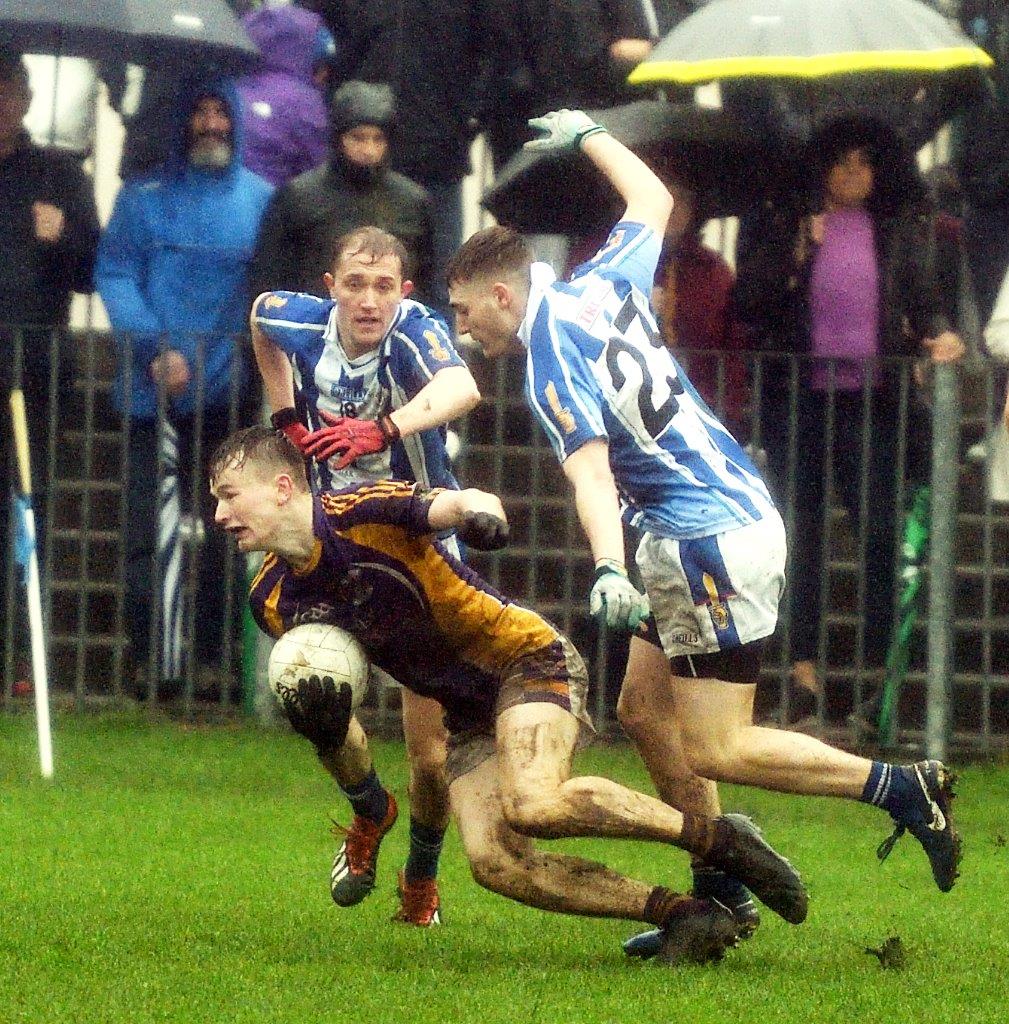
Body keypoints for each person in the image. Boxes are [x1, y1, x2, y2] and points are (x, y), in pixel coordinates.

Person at [445, 108, 962, 956]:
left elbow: (590, 471)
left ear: (504, 293)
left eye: (467, 313)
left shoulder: (546, 356)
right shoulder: (600, 282)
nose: (467, 332)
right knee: (641, 709)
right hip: (714, 516)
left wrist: (606, 567)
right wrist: (589, 137)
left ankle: (901, 786)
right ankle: (719, 897)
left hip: (703, 538)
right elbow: (648, 196)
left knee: (717, 745)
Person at [210, 424, 809, 964]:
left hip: (525, 660)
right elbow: (340, 719)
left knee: (534, 804)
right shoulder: (271, 600)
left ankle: (720, 839)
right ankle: (684, 915)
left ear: (284, 487)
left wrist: (479, 514)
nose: (218, 514)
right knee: (495, 862)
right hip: (468, 713)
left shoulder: (357, 513)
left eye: (229, 495)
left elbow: (457, 501)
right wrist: (325, 729)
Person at [249, 225, 480, 926]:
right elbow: (259, 313)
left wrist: (383, 430)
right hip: (333, 549)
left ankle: (420, 878)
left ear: (403, 293)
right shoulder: (303, 320)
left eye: (384, 286)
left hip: (418, 551)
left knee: (432, 755)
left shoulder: (412, 331)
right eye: (355, 284)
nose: (369, 300)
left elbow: (463, 386)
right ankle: (369, 811)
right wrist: (286, 414)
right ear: (331, 287)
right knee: (309, 695)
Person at [733, 116, 966, 724]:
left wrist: (942, 336)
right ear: (821, 167)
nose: (853, 171)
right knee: (798, 537)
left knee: (880, 535)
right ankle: (801, 671)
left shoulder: (895, 228)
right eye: (841, 160)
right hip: (798, 401)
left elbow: (923, 304)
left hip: (875, 402)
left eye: (865, 160)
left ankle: (876, 679)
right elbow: (750, 303)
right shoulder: (785, 221)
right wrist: (796, 252)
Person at [95, 78, 273, 688]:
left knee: (233, 536)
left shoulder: (262, 201)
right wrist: (154, 347)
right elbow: (115, 273)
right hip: (152, 396)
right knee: (149, 533)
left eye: (220, 111)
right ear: (179, 121)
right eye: (197, 109)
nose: (210, 123)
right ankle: (153, 664)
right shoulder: (141, 198)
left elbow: (268, 291)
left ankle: (217, 665)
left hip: (232, 402)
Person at [0, 51, 99, 676]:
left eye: (8, 90)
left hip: (28, 375)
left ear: (26, 99)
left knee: (24, 508)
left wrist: (62, 237)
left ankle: (16, 655)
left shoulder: (60, 177)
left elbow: (91, 275)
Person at [250, 80, 436, 307]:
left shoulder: (413, 202)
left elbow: (430, 284)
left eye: (378, 139)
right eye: (358, 138)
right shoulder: (298, 198)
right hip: (316, 330)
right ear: (339, 139)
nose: (368, 150)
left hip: (395, 329)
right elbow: (269, 281)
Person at [236, 1, 334, 188]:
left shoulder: (233, 86)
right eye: (321, 67)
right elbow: (320, 168)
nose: (325, 76)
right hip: (273, 204)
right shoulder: (305, 101)